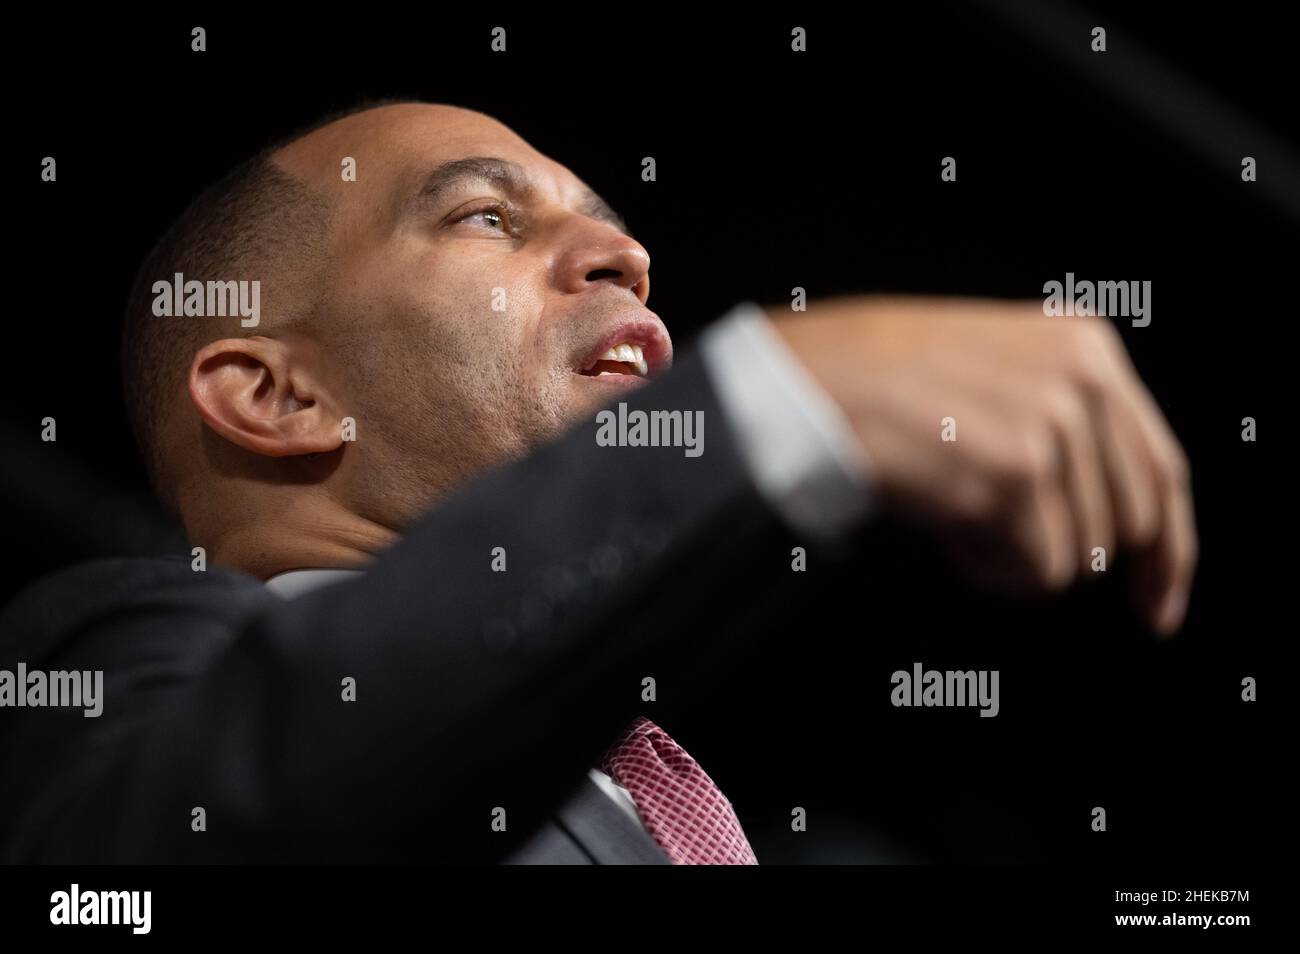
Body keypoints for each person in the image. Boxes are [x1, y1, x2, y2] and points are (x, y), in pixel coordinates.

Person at [0, 101, 1197, 864]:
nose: (625, 255)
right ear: (279, 397)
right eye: (482, 217)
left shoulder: (666, 794)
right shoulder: (106, 670)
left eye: (608, 228)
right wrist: (778, 398)